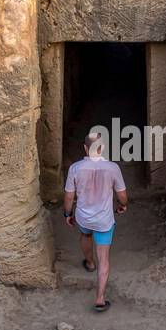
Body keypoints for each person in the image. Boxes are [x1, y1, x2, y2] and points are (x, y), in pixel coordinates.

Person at [63, 129, 127, 312]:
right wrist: (123, 205)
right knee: (104, 258)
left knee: (85, 235)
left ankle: (89, 263)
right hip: (104, 220)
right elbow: (122, 195)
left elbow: (68, 197)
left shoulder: (75, 168)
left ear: (85, 148)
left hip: (83, 216)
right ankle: (100, 298)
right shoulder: (112, 168)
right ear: (103, 148)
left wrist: (67, 214)